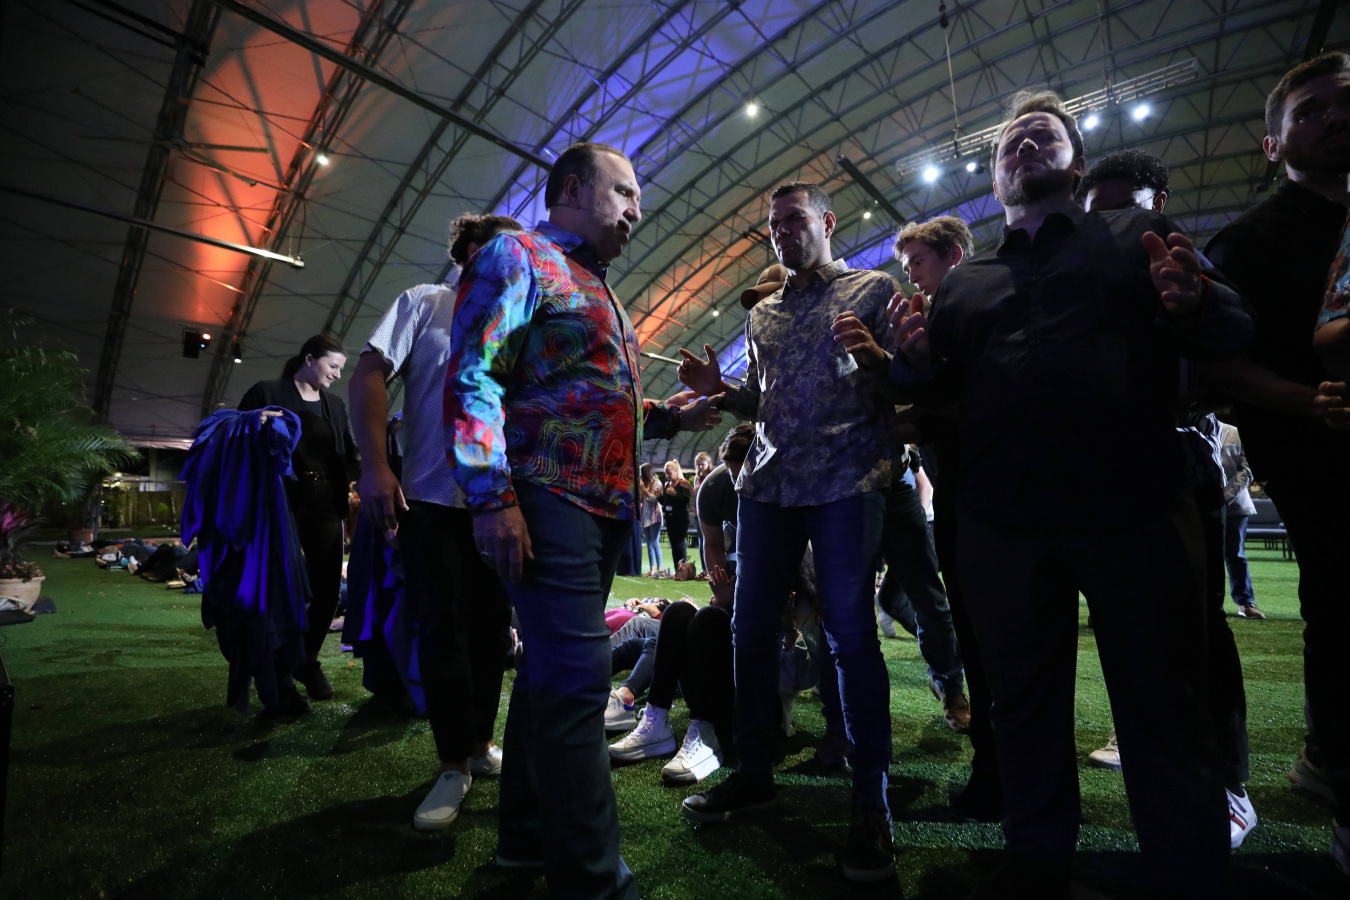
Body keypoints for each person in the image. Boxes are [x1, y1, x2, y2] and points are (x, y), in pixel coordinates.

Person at [889, 91, 1251, 896]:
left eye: (1042, 135)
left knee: (1163, 702)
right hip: (1005, 523)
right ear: (993, 180)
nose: (1024, 144)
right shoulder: (966, 284)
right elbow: (936, 389)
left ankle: (1187, 875)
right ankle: (1038, 864)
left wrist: (1197, 301)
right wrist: (908, 360)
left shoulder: (1137, 237)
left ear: (1076, 163)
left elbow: (1232, 329)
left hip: (1134, 509)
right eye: (1009, 141)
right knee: (1022, 705)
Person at [443, 141, 722, 899]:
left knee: (549, 678)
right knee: (575, 684)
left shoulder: (595, 284)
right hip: (547, 498)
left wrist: (669, 415)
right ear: (571, 189)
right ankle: (595, 884)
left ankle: (526, 839)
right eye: (625, 192)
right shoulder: (518, 257)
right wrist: (491, 496)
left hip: (599, 508)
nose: (637, 210)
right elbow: (473, 377)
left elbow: (588, 396)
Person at [677, 180, 900, 883]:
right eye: (774, 225)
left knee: (851, 637)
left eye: (794, 219)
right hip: (768, 488)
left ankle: (870, 802)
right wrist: (721, 391)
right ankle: (754, 771)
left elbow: (908, 382)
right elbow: (763, 400)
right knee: (748, 631)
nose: (782, 232)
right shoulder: (763, 314)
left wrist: (884, 360)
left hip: (845, 484)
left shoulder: (874, 290)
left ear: (826, 221)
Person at [1076, 151, 1259, 849]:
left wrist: (1196, 306)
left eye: (1126, 208)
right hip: (1097, 479)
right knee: (1126, 630)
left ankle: (1230, 786)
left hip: (1176, 472)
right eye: (1098, 213)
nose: (1113, 224)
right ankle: (1145, 744)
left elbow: (1234, 338)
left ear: (1158, 204)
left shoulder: (1182, 262)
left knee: (1198, 631)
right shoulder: (1078, 277)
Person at [1201, 52, 1350, 875]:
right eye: (1311, 111)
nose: (1336, 118)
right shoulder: (1251, 240)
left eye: (1345, 103)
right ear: (1273, 144)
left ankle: (1326, 752)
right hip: (1319, 456)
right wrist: (1305, 401)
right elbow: (1216, 366)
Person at [348, 212, 521, 832]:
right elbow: (369, 373)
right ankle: (452, 764)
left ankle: (479, 744)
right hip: (430, 501)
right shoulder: (426, 303)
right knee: (443, 634)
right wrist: (375, 466)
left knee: (492, 634)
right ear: (469, 251)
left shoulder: (518, 318)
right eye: (501, 247)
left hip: (500, 506)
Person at [891, 214, 1002, 822]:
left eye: (919, 262)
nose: (911, 275)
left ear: (954, 255)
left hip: (992, 496)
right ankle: (994, 766)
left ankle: (1001, 773)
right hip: (963, 494)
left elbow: (961, 405)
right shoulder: (930, 323)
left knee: (994, 637)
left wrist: (893, 409)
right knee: (973, 628)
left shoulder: (977, 313)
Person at [238, 334, 359, 703]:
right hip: (282, 504)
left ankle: (306, 659)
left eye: (340, 368)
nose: (337, 374)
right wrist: (253, 422)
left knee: (327, 590)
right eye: (333, 366)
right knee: (281, 589)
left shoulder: (334, 405)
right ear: (309, 359)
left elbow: (348, 454)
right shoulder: (267, 392)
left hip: (326, 505)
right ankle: (278, 672)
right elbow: (230, 434)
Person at [1217, 419, 1262, 618]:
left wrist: (1225, 497)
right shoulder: (1187, 428)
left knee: (1236, 554)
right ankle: (1207, 602)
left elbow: (1247, 468)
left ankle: (1245, 602)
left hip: (1234, 506)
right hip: (1200, 503)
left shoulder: (1236, 432)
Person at [659, 460, 694, 566]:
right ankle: (677, 568)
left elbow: (686, 501)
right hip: (670, 519)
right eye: (666, 473)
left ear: (676, 471)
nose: (667, 475)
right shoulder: (667, 485)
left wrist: (675, 494)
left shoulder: (682, 484)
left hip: (681, 519)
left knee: (679, 543)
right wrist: (658, 497)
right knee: (674, 545)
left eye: (669, 473)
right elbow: (665, 502)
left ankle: (683, 567)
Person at [639, 463, 663, 574]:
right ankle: (652, 569)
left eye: (642, 473)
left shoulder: (657, 483)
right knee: (648, 543)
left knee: (655, 542)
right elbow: (641, 500)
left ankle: (660, 568)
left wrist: (644, 490)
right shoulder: (644, 484)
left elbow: (655, 500)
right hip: (645, 516)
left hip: (655, 515)